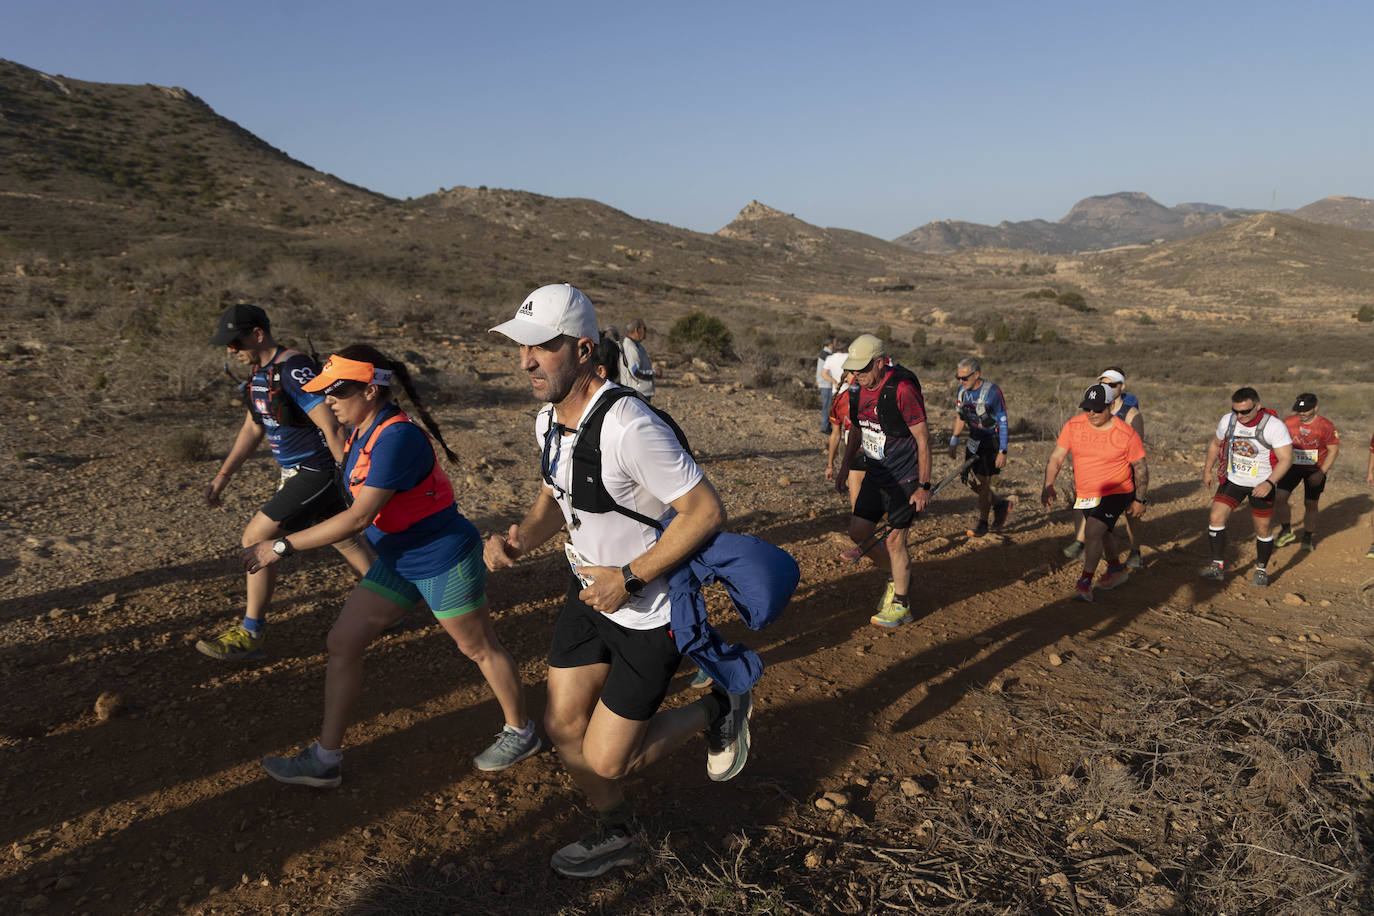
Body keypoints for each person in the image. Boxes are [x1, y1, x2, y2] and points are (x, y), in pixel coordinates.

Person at [485, 283, 751, 879]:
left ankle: (718, 706)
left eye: (542, 347)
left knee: (608, 762)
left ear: (582, 350)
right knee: (561, 729)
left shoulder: (631, 426)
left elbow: (705, 512)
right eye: (521, 347)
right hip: (589, 597)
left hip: (650, 611)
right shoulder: (547, 421)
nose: (526, 360)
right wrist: (524, 536)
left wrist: (628, 579)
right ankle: (619, 833)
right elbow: (560, 493)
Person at [247, 345, 539, 787]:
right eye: (325, 391)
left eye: (337, 390)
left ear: (370, 389)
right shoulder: (362, 431)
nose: (328, 400)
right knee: (343, 642)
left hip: (442, 557)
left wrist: (281, 547)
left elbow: (358, 517)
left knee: (478, 647)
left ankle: (522, 731)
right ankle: (326, 759)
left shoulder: (397, 437)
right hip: (398, 559)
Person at [200, 304, 374, 660]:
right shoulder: (256, 376)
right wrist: (223, 475)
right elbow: (253, 427)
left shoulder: (294, 369)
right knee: (345, 540)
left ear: (258, 334)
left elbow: (331, 425)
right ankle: (391, 603)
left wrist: (352, 476)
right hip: (296, 472)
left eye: (235, 341)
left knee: (256, 538)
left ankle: (251, 634)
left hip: (317, 470)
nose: (231, 350)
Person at [833, 334, 932, 627]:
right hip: (876, 474)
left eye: (863, 369)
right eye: (854, 370)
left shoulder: (901, 390)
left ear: (879, 363)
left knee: (894, 541)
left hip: (904, 478)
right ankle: (898, 575)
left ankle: (902, 604)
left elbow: (923, 439)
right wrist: (844, 466)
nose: (858, 375)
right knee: (858, 530)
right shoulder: (855, 391)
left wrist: (924, 486)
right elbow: (857, 431)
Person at [1041, 384, 1149, 602]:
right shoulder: (1074, 425)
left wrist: (1139, 499)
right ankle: (1116, 570)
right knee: (1104, 533)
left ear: (1111, 406)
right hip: (1087, 491)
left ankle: (1084, 582)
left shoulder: (1125, 433)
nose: (1091, 414)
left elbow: (1141, 468)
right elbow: (1056, 457)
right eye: (1087, 408)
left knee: (1092, 530)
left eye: (1097, 409)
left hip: (1117, 490)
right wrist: (1048, 484)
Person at [1200, 387, 1293, 587]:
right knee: (1216, 517)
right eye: (1236, 411)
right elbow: (1216, 444)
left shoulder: (1274, 426)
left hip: (1262, 484)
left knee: (1263, 529)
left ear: (1258, 406)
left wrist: (1269, 483)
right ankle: (1217, 566)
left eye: (1245, 411)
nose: (1240, 416)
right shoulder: (1228, 421)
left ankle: (1261, 569)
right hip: (1234, 480)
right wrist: (1207, 470)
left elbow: (1286, 459)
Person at [1064, 368, 1145, 566]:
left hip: (1122, 470)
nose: (1106, 387)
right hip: (1095, 469)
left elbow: (1137, 449)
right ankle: (1080, 541)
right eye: (1103, 384)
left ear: (1122, 386)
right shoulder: (1095, 407)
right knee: (1083, 503)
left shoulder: (1130, 413)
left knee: (1131, 512)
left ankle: (1135, 551)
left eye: (1111, 384)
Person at [948, 357, 1012, 537]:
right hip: (973, 441)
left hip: (991, 441)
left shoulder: (993, 392)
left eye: (964, 378)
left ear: (977, 374)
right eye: (958, 378)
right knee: (971, 482)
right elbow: (961, 416)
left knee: (983, 483)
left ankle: (982, 523)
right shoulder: (962, 391)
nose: (961, 381)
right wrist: (954, 440)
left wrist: (1003, 450)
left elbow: (1003, 422)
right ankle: (1000, 504)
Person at [1273, 393, 1340, 551]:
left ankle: (1308, 536)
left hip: (1315, 470)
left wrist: (1321, 472)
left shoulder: (1326, 425)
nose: (1302, 413)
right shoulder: (1289, 422)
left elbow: (1333, 450)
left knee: (1310, 503)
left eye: (1306, 410)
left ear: (1315, 407)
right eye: (1299, 410)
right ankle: (1286, 529)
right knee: (1279, 497)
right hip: (1292, 467)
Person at [825, 368, 865, 509]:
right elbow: (835, 434)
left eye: (858, 373)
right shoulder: (840, 400)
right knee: (856, 505)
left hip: (879, 456)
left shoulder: (873, 395)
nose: (855, 377)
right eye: (852, 374)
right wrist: (830, 465)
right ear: (846, 377)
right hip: (854, 454)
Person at [620, 318, 659, 401]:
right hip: (638, 393)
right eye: (644, 329)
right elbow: (636, 372)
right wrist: (654, 373)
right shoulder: (630, 348)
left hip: (641, 392)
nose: (646, 332)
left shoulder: (636, 346)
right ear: (637, 330)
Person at [816, 336, 838, 435]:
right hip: (826, 384)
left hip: (825, 383)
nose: (835, 344)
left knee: (828, 406)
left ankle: (826, 426)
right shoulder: (826, 355)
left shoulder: (825, 353)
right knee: (827, 406)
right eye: (834, 342)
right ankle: (825, 428)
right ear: (830, 344)